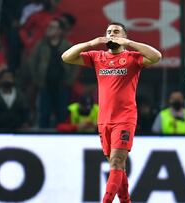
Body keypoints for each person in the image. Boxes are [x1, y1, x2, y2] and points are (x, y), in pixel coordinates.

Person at [61, 22, 162, 203]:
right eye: (108, 32)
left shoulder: (133, 57)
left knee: (116, 162)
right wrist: (91, 43)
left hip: (125, 118)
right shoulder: (97, 57)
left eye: (116, 32)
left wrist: (129, 43)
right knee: (117, 166)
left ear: (124, 36)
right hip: (104, 119)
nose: (111, 34)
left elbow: (156, 56)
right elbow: (66, 57)